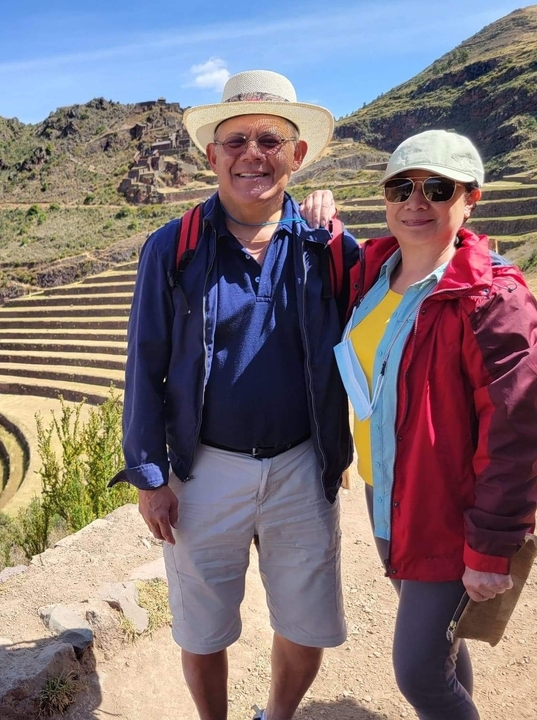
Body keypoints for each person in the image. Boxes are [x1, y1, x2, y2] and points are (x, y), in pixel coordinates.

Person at [109, 70, 358, 720]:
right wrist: (149, 475)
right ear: (212, 154)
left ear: (296, 154)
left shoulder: (327, 245)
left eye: (270, 140)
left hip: (303, 466)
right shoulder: (173, 248)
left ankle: (276, 716)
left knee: (306, 624)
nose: (253, 153)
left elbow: (408, 280)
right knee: (202, 628)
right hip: (204, 469)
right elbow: (145, 362)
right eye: (237, 139)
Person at [334, 129, 537, 719]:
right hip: (389, 492)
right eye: (400, 187)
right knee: (441, 642)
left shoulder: (491, 297)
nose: (416, 201)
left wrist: (490, 544)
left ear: (470, 198)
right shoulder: (376, 272)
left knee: (418, 674)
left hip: (446, 506)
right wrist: (319, 216)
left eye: (437, 187)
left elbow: (517, 431)